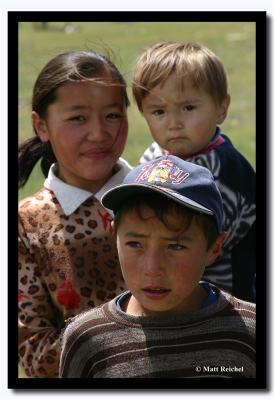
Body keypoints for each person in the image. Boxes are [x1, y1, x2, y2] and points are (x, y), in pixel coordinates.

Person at [59, 155, 256, 379]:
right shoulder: (87, 339)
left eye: (176, 246)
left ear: (214, 247)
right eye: (135, 244)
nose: (152, 268)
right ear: (114, 237)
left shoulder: (250, 332)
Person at [18, 50, 132, 378]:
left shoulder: (160, 196)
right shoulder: (26, 223)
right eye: (78, 118)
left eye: (112, 115)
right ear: (42, 126)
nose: (99, 133)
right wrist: (132, 332)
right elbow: (36, 354)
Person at [131, 41, 256, 302]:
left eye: (188, 108)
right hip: (166, 288)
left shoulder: (223, 170)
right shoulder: (155, 154)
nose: (174, 123)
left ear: (221, 108)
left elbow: (203, 245)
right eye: (159, 111)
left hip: (221, 302)